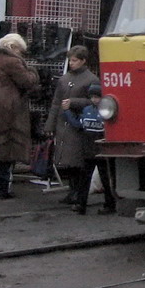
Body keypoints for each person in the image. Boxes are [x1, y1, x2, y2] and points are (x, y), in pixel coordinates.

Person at [0, 33, 39, 198]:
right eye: (20, 50)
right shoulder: (12, 62)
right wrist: (33, 71)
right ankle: (3, 189)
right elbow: (27, 81)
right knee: (7, 152)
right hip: (9, 111)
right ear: (12, 47)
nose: (21, 54)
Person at [44, 45, 99, 206]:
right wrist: (50, 125)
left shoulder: (91, 79)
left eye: (74, 60)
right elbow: (56, 103)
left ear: (83, 61)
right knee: (67, 162)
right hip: (64, 123)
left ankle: (78, 193)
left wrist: (74, 102)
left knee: (78, 161)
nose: (71, 63)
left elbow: (95, 101)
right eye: (70, 60)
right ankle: (72, 191)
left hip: (80, 125)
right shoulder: (64, 79)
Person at [60, 83, 116, 215]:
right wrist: (67, 112)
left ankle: (109, 204)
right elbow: (78, 124)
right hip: (88, 151)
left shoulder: (104, 111)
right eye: (92, 97)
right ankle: (81, 204)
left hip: (101, 151)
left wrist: (67, 112)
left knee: (105, 179)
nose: (94, 99)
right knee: (85, 179)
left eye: (97, 97)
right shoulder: (87, 110)